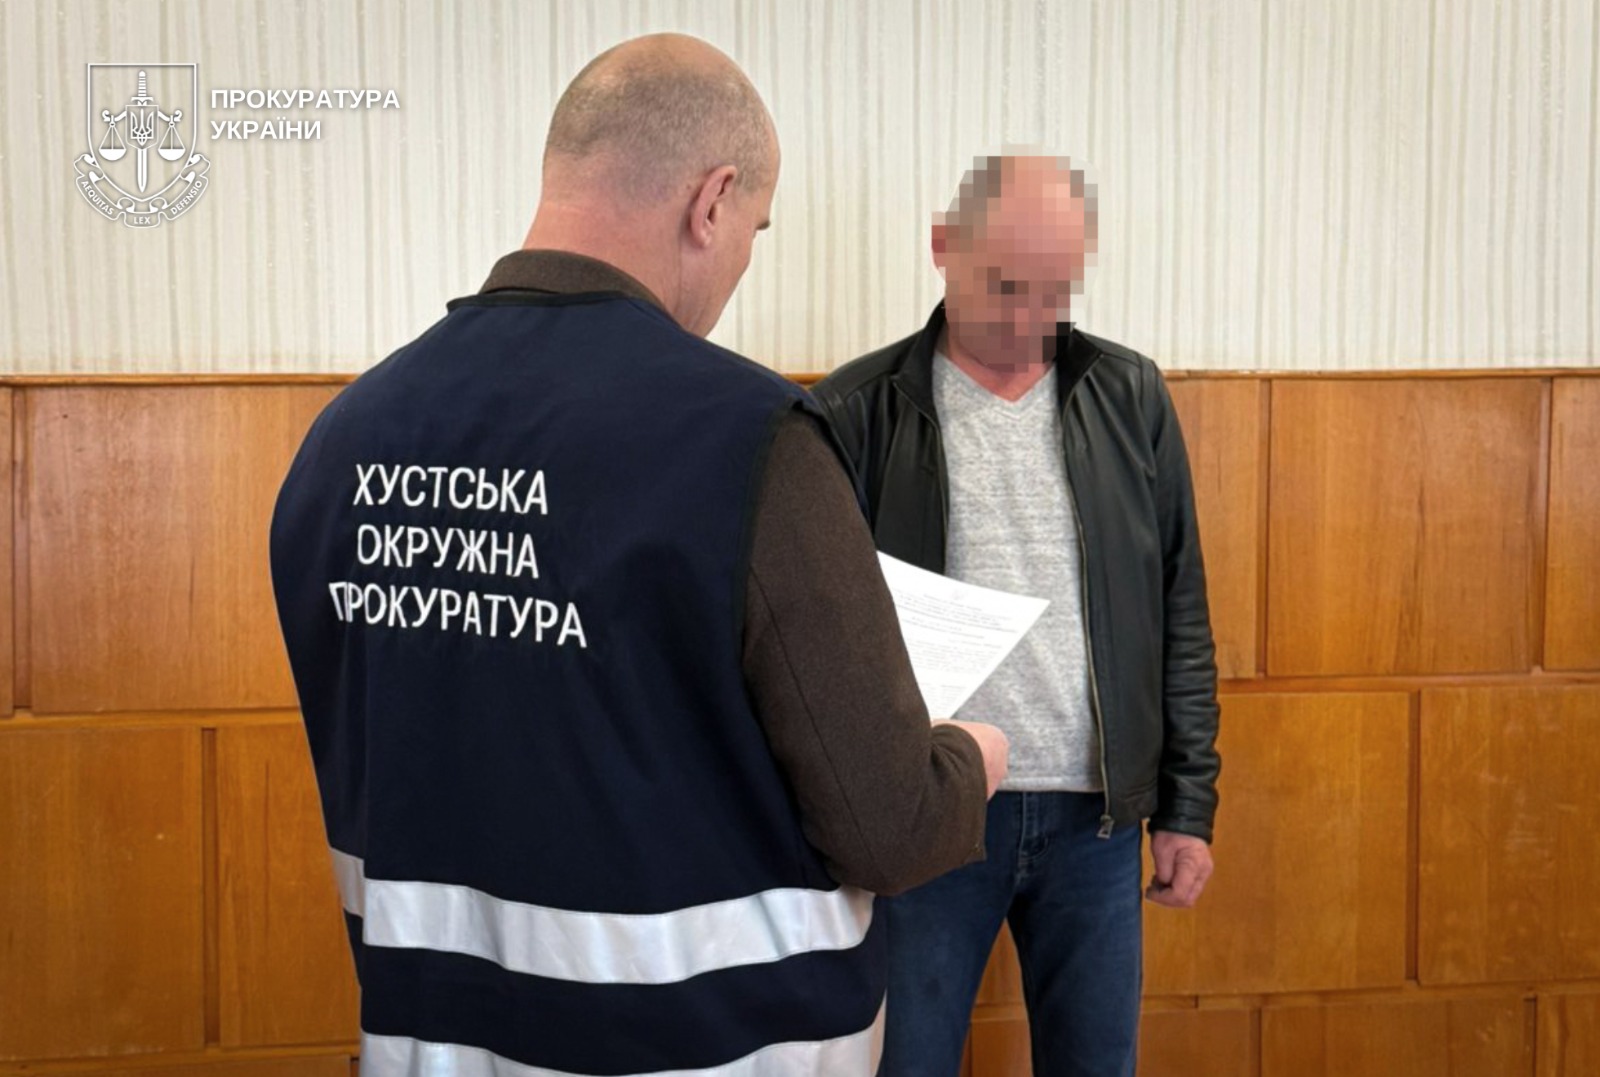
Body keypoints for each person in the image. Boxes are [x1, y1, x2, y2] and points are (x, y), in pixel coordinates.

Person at [269, 35, 1008, 1077]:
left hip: (430, 1046)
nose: (742, 260)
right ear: (712, 201)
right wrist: (971, 756)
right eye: (754, 229)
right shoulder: (749, 440)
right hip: (710, 1048)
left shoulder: (344, 439)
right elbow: (889, 827)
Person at [811, 153, 1221, 1077]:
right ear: (943, 245)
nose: (1031, 314)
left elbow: (1179, 610)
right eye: (1006, 284)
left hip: (1097, 826)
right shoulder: (855, 410)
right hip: (928, 815)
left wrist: (1187, 804)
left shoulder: (1130, 396)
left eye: (1055, 288)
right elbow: (818, 638)